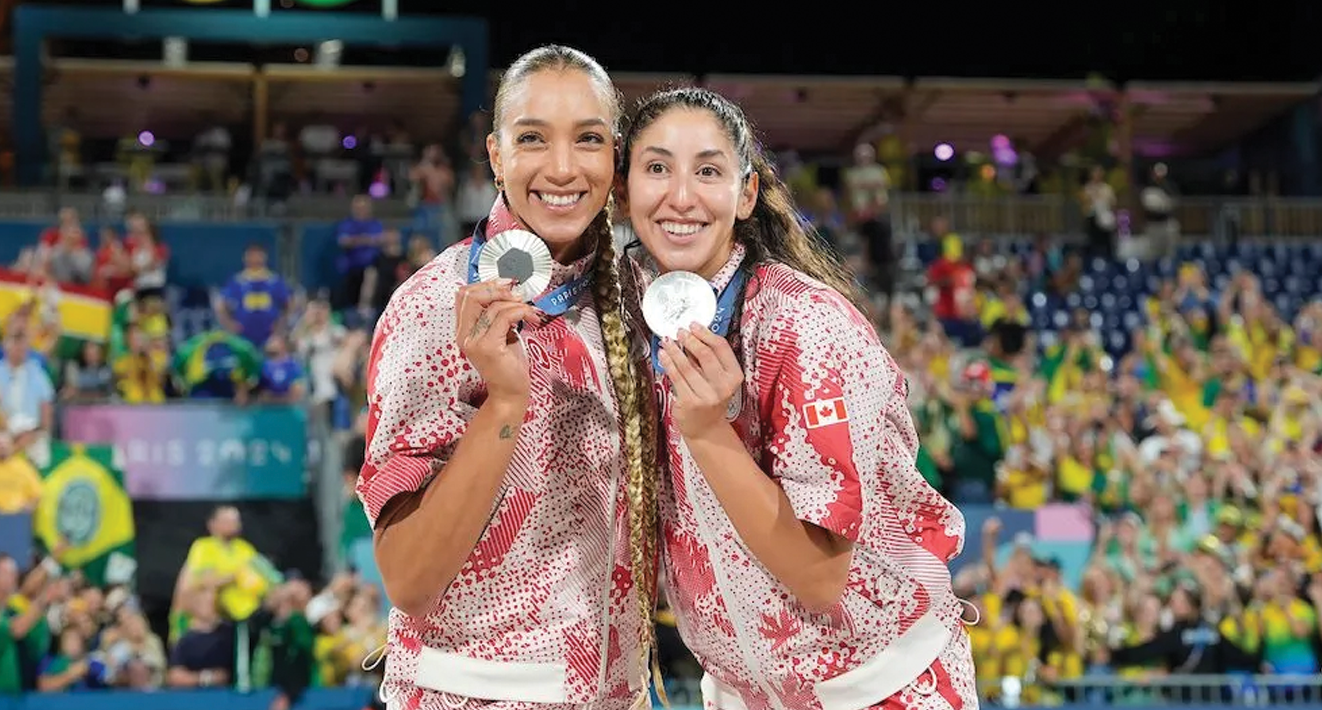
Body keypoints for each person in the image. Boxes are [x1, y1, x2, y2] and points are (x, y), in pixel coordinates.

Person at [620, 87, 977, 710]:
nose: (680, 196)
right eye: (656, 168)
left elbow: (820, 576)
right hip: (741, 694)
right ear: (624, 189)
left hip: (880, 689)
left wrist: (707, 432)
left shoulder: (805, 326)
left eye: (708, 171)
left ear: (747, 193)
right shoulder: (630, 316)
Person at [358, 45, 654, 710]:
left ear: (616, 157)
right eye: (531, 139)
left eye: (588, 140)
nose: (562, 167)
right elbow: (407, 577)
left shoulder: (641, 302)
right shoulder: (434, 308)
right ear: (495, 156)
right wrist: (503, 405)